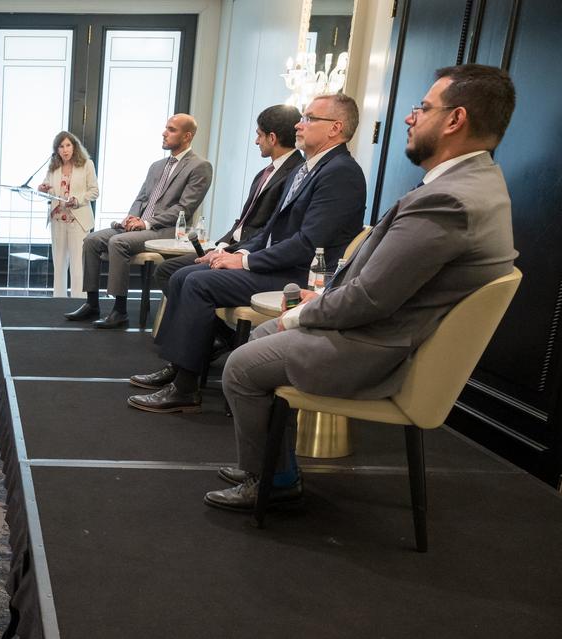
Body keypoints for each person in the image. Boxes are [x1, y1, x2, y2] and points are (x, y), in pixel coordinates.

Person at [205, 65, 519, 511]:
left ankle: (270, 483)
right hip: (385, 330)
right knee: (259, 335)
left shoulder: (448, 200)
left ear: (455, 120)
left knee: (240, 366)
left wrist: (302, 313)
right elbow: (386, 283)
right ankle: (275, 467)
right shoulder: (477, 183)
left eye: (423, 107)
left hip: (377, 346)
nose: (410, 117)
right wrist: (321, 301)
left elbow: (370, 298)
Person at [128, 94, 367, 414]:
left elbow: (307, 244)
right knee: (183, 274)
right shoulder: (308, 168)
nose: (299, 124)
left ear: (335, 128)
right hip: (280, 264)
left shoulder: (341, 172)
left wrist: (244, 260)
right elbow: (269, 231)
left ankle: (185, 387)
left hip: (301, 277)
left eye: (309, 118)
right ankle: (180, 367)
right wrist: (233, 253)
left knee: (197, 283)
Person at [66, 113, 214, 328]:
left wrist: (146, 223)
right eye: (166, 128)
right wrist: (132, 218)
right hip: (141, 226)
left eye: (171, 129)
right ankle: (92, 303)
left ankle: (119, 310)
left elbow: (184, 208)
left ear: (187, 136)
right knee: (91, 240)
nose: (164, 133)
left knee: (118, 242)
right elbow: (142, 198)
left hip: (168, 229)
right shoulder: (157, 165)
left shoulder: (200, 166)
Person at [152, 106, 304, 290]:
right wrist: (221, 246)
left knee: (185, 277)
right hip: (233, 246)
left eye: (259, 135)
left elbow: (270, 228)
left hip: (250, 252)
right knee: (166, 270)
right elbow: (243, 221)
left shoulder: (296, 174)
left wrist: (233, 253)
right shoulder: (264, 173)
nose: (256, 141)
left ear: (272, 138)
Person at [37, 131, 99, 298]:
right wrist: (42, 188)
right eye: (61, 146)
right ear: (56, 150)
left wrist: (78, 200)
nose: (65, 150)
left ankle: (79, 301)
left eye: (68, 145)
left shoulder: (86, 164)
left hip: (78, 220)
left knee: (78, 265)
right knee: (59, 264)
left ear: (74, 146)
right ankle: (59, 300)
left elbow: (94, 191)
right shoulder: (54, 166)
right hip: (58, 219)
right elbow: (47, 186)